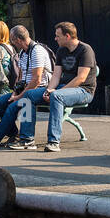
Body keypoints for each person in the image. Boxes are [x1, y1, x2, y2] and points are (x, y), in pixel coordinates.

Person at [0, 25, 51, 149]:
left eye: (13, 40)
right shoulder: (23, 53)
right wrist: (15, 93)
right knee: (1, 102)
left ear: (18, 40)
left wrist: (20, 96)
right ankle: (14, 134)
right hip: (26, 89)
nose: (12, 43)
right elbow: (20, 77)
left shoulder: (37, 51)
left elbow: (37, 80)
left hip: (41, 90)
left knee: (18, 104)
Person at [40, 22, 97, 151]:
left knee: (57, 96)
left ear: (67, 36)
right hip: (62, 88)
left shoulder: (85, 50)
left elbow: (81, 78)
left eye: (57, 36)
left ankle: (53, 142)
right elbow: (56, 76)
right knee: (29, 96)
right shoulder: (61, 50)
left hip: (84, 91)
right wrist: (49, 89)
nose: (55, 38)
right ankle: (27, 138)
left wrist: (56, 91)